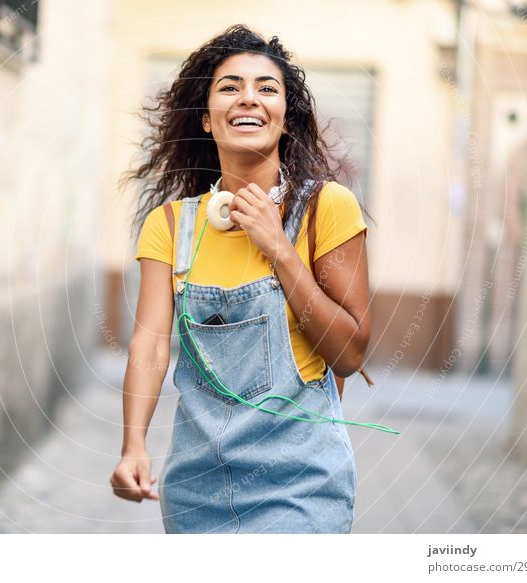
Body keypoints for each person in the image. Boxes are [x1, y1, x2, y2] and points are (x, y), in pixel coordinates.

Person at [109, 24, 371, 533]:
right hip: (195, 490)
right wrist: (133, 446)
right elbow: (150, 346)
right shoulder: (169, 225)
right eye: (229, 86)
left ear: (286, 121)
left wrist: (278, 248)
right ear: (206, 120)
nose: (247, 97)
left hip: (301, 487)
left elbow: (351, 353)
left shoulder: (326, 209)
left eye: (266, 88)